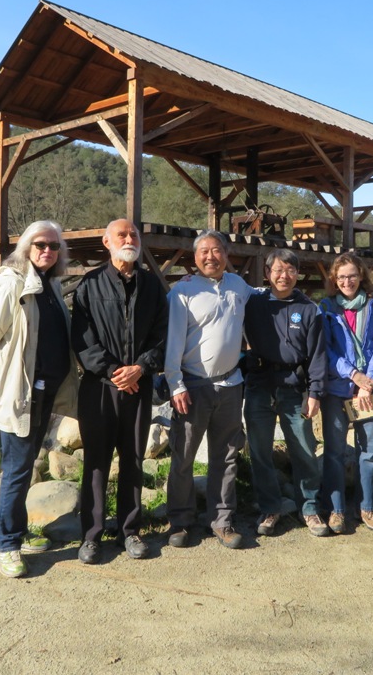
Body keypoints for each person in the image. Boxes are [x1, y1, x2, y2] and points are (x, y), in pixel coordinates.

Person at [0, 220, 78, 578]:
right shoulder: (10, 285)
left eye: (54, 246)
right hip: (20, 396)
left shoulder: (50, 285)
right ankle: (6, 545)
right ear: (27, 248)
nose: (47, 251)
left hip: (43, 395)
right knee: (16, 471)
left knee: (26, 465)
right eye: (40, 244)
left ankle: (15, 529)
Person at [71, 219, 169, 564]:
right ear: (107, 242)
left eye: (133, 235)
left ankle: (130, 531)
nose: (129, 239)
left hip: (138, 386)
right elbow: (82, 339)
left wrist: (141, 367)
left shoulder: (153, 286)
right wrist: (114, 371)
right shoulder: (90, 284)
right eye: (122, 235)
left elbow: (161, 334)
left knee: (133, 458)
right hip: (100, 388)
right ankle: (91, 536)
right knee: (96, 463)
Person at [164, 230, 254, 550]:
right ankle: (180, 520)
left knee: (227, 456)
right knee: (183, 456)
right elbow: (172, 342)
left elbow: (262, 297)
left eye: (216, 251)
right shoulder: (183, 292)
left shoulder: (238, 286)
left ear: (226, 255)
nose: (210, 257)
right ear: (194, 258)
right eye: (204, 251)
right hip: (192, 386)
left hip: (230, 384)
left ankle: (223, 520)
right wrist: (174, 384)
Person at [243, 249, 330, 538]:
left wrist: (315, 392)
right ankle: (270, 506)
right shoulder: (253, 302)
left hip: (295, 386)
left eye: (290, 270)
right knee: (259, 450)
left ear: (298, 273)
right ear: (267, 274)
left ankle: (309, 507)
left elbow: (318, 355)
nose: (284, 275)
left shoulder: (308, 308)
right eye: (278, 270)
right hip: (259, 384)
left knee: (304, 448)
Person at [318, 253, 373, 534]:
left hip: (369, 392)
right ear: (334, 281)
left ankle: (368, 507)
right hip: (337, 389)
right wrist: (353, 375)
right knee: (334, 451)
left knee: (369, 451)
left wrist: (368, 381)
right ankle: (336, 509)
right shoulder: (326, 307)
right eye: (341, 277)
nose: (347, 281)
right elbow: (326, 350)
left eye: (352, 275)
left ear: (361, 276)